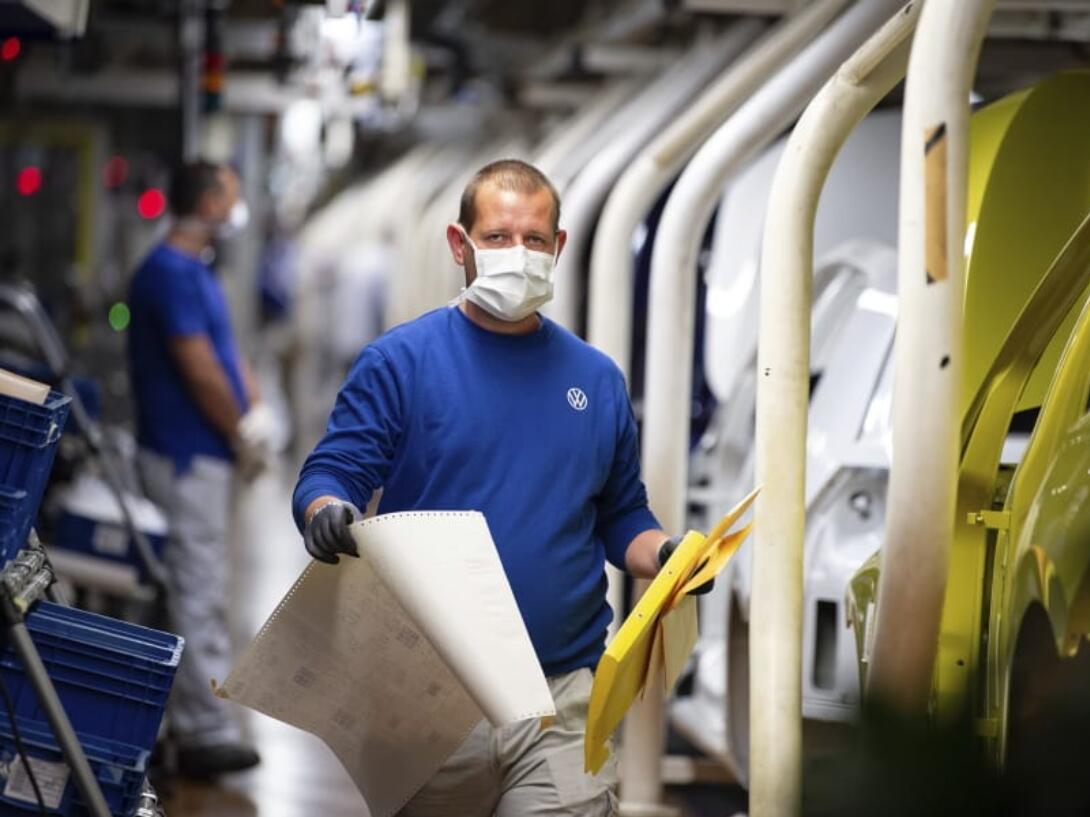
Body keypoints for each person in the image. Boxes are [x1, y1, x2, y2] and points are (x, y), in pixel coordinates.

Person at [293, 159, 707, 817]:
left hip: (559, 697)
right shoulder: (401, 362)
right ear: (461, 245)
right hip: (429, 693)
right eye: (497, 236)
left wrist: (666, 556)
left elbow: (622, 513)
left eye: (534, 239)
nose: (518, 254)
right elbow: (334, 471)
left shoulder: (596, 381)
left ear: (559, 247)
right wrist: (325, 510)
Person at [128, 160, 274, 778]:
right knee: (198, 591)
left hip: (204, 455)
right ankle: (204, 731)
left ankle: (186, 716)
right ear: (210, 202)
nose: (235, 211)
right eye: (231, 197)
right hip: (187, 457)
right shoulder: (168, 273)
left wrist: (256, 406)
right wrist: (237, 429)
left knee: (200, 586)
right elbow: (199, 366)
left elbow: (226, 350)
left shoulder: (196, 271)